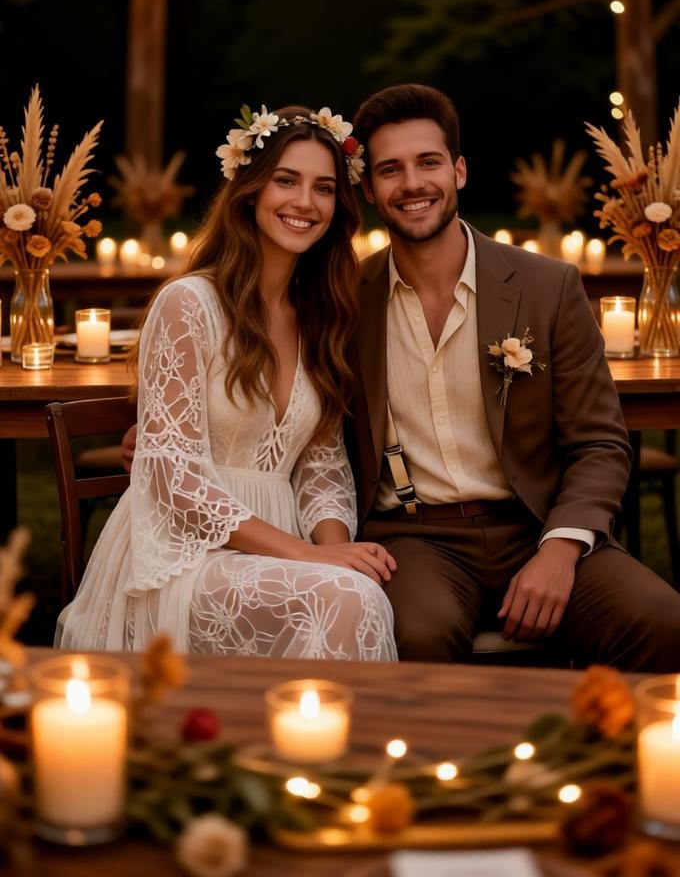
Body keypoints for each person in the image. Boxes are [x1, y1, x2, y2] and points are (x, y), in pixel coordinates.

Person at [346, 82, 680, 670]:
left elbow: (600, 443)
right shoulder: (347, 301)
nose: (413, 184)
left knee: (662, 621)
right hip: (414, 539)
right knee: (418, 638)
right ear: (370, 188)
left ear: (460, 171)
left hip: (537, 523)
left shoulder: (546, 287)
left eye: (429, 162)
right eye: (390, 170)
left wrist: (560, 547)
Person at [57, 104, 397, 660]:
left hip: (281, 547)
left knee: (356, 589)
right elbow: (173, 477)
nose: (305, 203)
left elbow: (321, 465)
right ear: (251, 189)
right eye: (286, 180)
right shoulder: (190, 303)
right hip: (180, 555)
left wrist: (341, 551)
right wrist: (308, 558)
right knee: (343, 599)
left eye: (324, 188)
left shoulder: (322, 315)